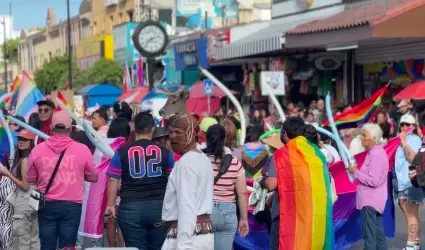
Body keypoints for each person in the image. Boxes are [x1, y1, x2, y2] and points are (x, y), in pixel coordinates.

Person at [27, 111, 98, 250]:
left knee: (47, 245)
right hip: (72, 205)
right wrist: (76, 174)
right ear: (70, 129)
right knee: (68, 246)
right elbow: (94, 177)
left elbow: (31, 179)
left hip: (46, 204)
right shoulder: (82, 149)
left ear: (51, 129)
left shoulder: (37, 150)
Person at [105, 112, 175, 250]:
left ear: (134, 129)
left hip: (131, 209)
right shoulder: (166, 153)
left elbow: (113, 178)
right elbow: (172, 181)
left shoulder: (122, 152)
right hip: (159, 208)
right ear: (153, 129)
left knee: (135, 247)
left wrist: (111, 204)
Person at [265, 117, 334, 250]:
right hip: (312, 215)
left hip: (286, 214)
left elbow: (271, 184)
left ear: (284, 133)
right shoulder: (317, 154)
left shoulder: (281, 154)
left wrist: (264, 181)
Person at [162, 114, 214, 249]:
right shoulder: (203, 158)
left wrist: (183, 245)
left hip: (188, 237)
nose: (173, 136)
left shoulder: (186, 162)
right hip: (202, 235)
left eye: (178, 132)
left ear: (191, 134)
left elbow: (187, 206)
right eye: (171, 132)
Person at [202, 124, 248, 250]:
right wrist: (244, 219)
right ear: (224, 139)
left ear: (206, 138)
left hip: (204, 212)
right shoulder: (234, 162)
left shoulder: (199, 159)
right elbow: (242, 193)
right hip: (228, 211)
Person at [347, 123, 388, 249]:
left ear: (373, 139)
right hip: (373, 199)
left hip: (370, 200)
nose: (361, 137)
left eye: (364, 135)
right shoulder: (375, 152)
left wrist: (356, 172)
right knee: (378, 234)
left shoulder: (376, 154)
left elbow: (374, 181)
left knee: (369, 235)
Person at [0, 130, 39, 250]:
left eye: (25, 139)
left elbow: (25, 185)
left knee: (22, 237)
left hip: (24, 198)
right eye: (20, 139)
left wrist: (7, 173)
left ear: (31, 142)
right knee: (33, 236)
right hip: (35, 197)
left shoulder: (25, 160)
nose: (21, 142)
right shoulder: (34, 157)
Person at [394, 114, 423, 250]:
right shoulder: (398, 140)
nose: (405, 127)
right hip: (402, 183)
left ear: (413, 126)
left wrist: (405, 142)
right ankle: (415, 244)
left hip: (412, 183)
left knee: (411, 215)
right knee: (410, 215)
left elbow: (414, 158)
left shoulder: (414, 139)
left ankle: (410, 246)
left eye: (408, 125)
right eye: (402, 125)